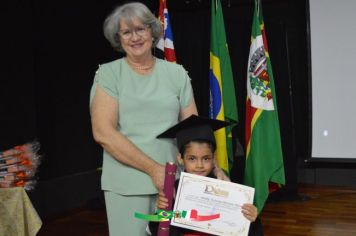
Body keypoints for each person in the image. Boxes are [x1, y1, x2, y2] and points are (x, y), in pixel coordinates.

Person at [89, 2, 226, 235]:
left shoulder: (177, 73)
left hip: (175, 184)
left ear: (152, 31)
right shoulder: (109, 75)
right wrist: (154, 170)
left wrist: (215, 169)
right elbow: (103, 133)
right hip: (127, 185)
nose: (135, 37)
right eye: (126, 32)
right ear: (118, 38)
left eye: (140, 29)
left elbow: (194, 131)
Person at [149, 115, 263, 236]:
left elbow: (245, 230)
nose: (199, 165)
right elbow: (160, 230)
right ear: (180, 159)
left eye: (206, 158)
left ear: (214, 159)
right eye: (192, 158)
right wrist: (162, 211)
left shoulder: (228, 188)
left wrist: (252, 219)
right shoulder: (173, 190)